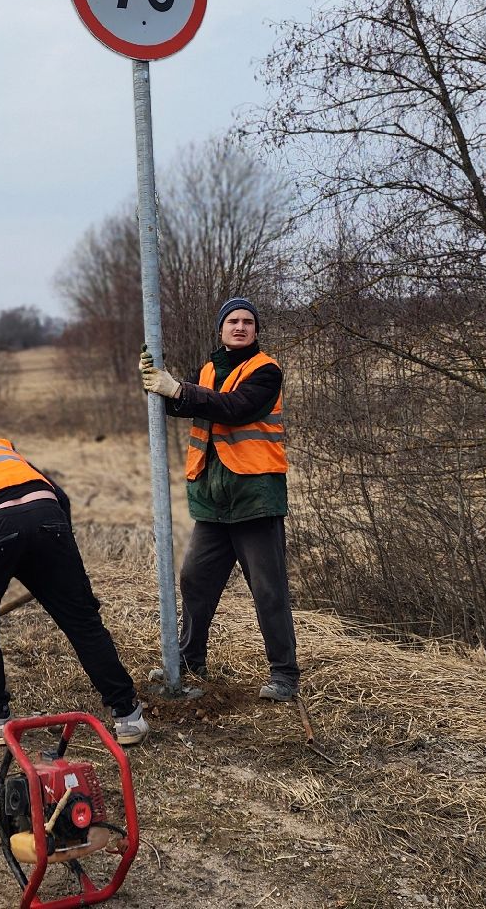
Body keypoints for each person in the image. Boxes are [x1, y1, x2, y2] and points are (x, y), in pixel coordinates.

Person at [0, 437, 148, 745]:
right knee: (83, 621)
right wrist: (64, 567)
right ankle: (129, 717)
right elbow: (62, 499)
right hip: (48, 520)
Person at [139, 297, 299, 701]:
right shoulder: (210, 369)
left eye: (248, 321)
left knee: (268, 589)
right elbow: (191, 404)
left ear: (256, 330)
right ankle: (191, 661)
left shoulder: (265, 370)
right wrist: (157, 382)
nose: (240, 327)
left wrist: (178, 388)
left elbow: (234, 408)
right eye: (233, 321)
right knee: (195, 581)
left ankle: (284, 675)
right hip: (212, 501)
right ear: (221, 328)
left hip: (254, 498)